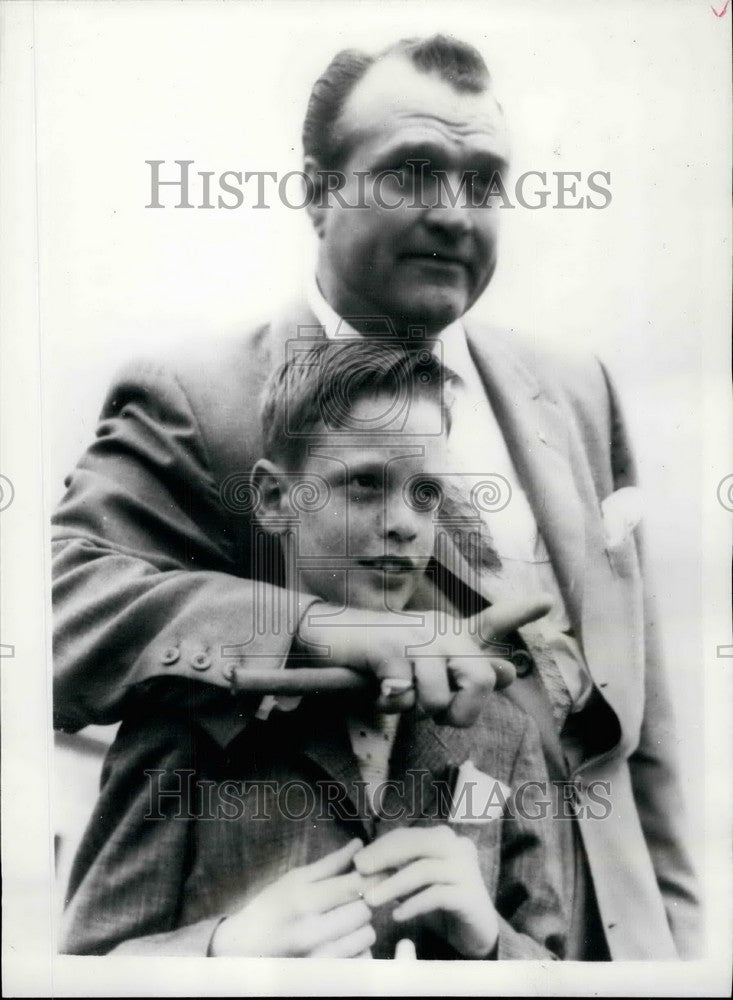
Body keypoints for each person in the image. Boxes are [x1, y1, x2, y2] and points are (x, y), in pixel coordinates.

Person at [52, 34, 699, 959]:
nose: (451, 213)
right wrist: (311, 622)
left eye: (483, 183)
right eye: (411, 173)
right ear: (317, 193)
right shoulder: (202, 400)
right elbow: (51, 608)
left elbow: (640, 739)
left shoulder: (573, 385)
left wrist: (672, 958)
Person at [60, 341, 567, 959]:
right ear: (275, 501)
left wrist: (490, 943)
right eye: (364, 484)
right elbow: (86, 966)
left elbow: (554, 964)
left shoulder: (500, 734)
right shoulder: (192, 713)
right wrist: (222, 952)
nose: (406, 522)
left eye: (427, 493)